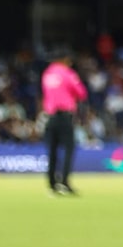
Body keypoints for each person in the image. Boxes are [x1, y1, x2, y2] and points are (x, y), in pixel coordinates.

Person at [39, 52, 85, 195]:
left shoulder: (47, 74)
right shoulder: (67, 73)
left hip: (50, 116)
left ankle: (52, 184)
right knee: (69, 149)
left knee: (52, 150)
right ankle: (64, 182)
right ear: (65, 60)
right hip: (65, 116)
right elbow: (81, 93)